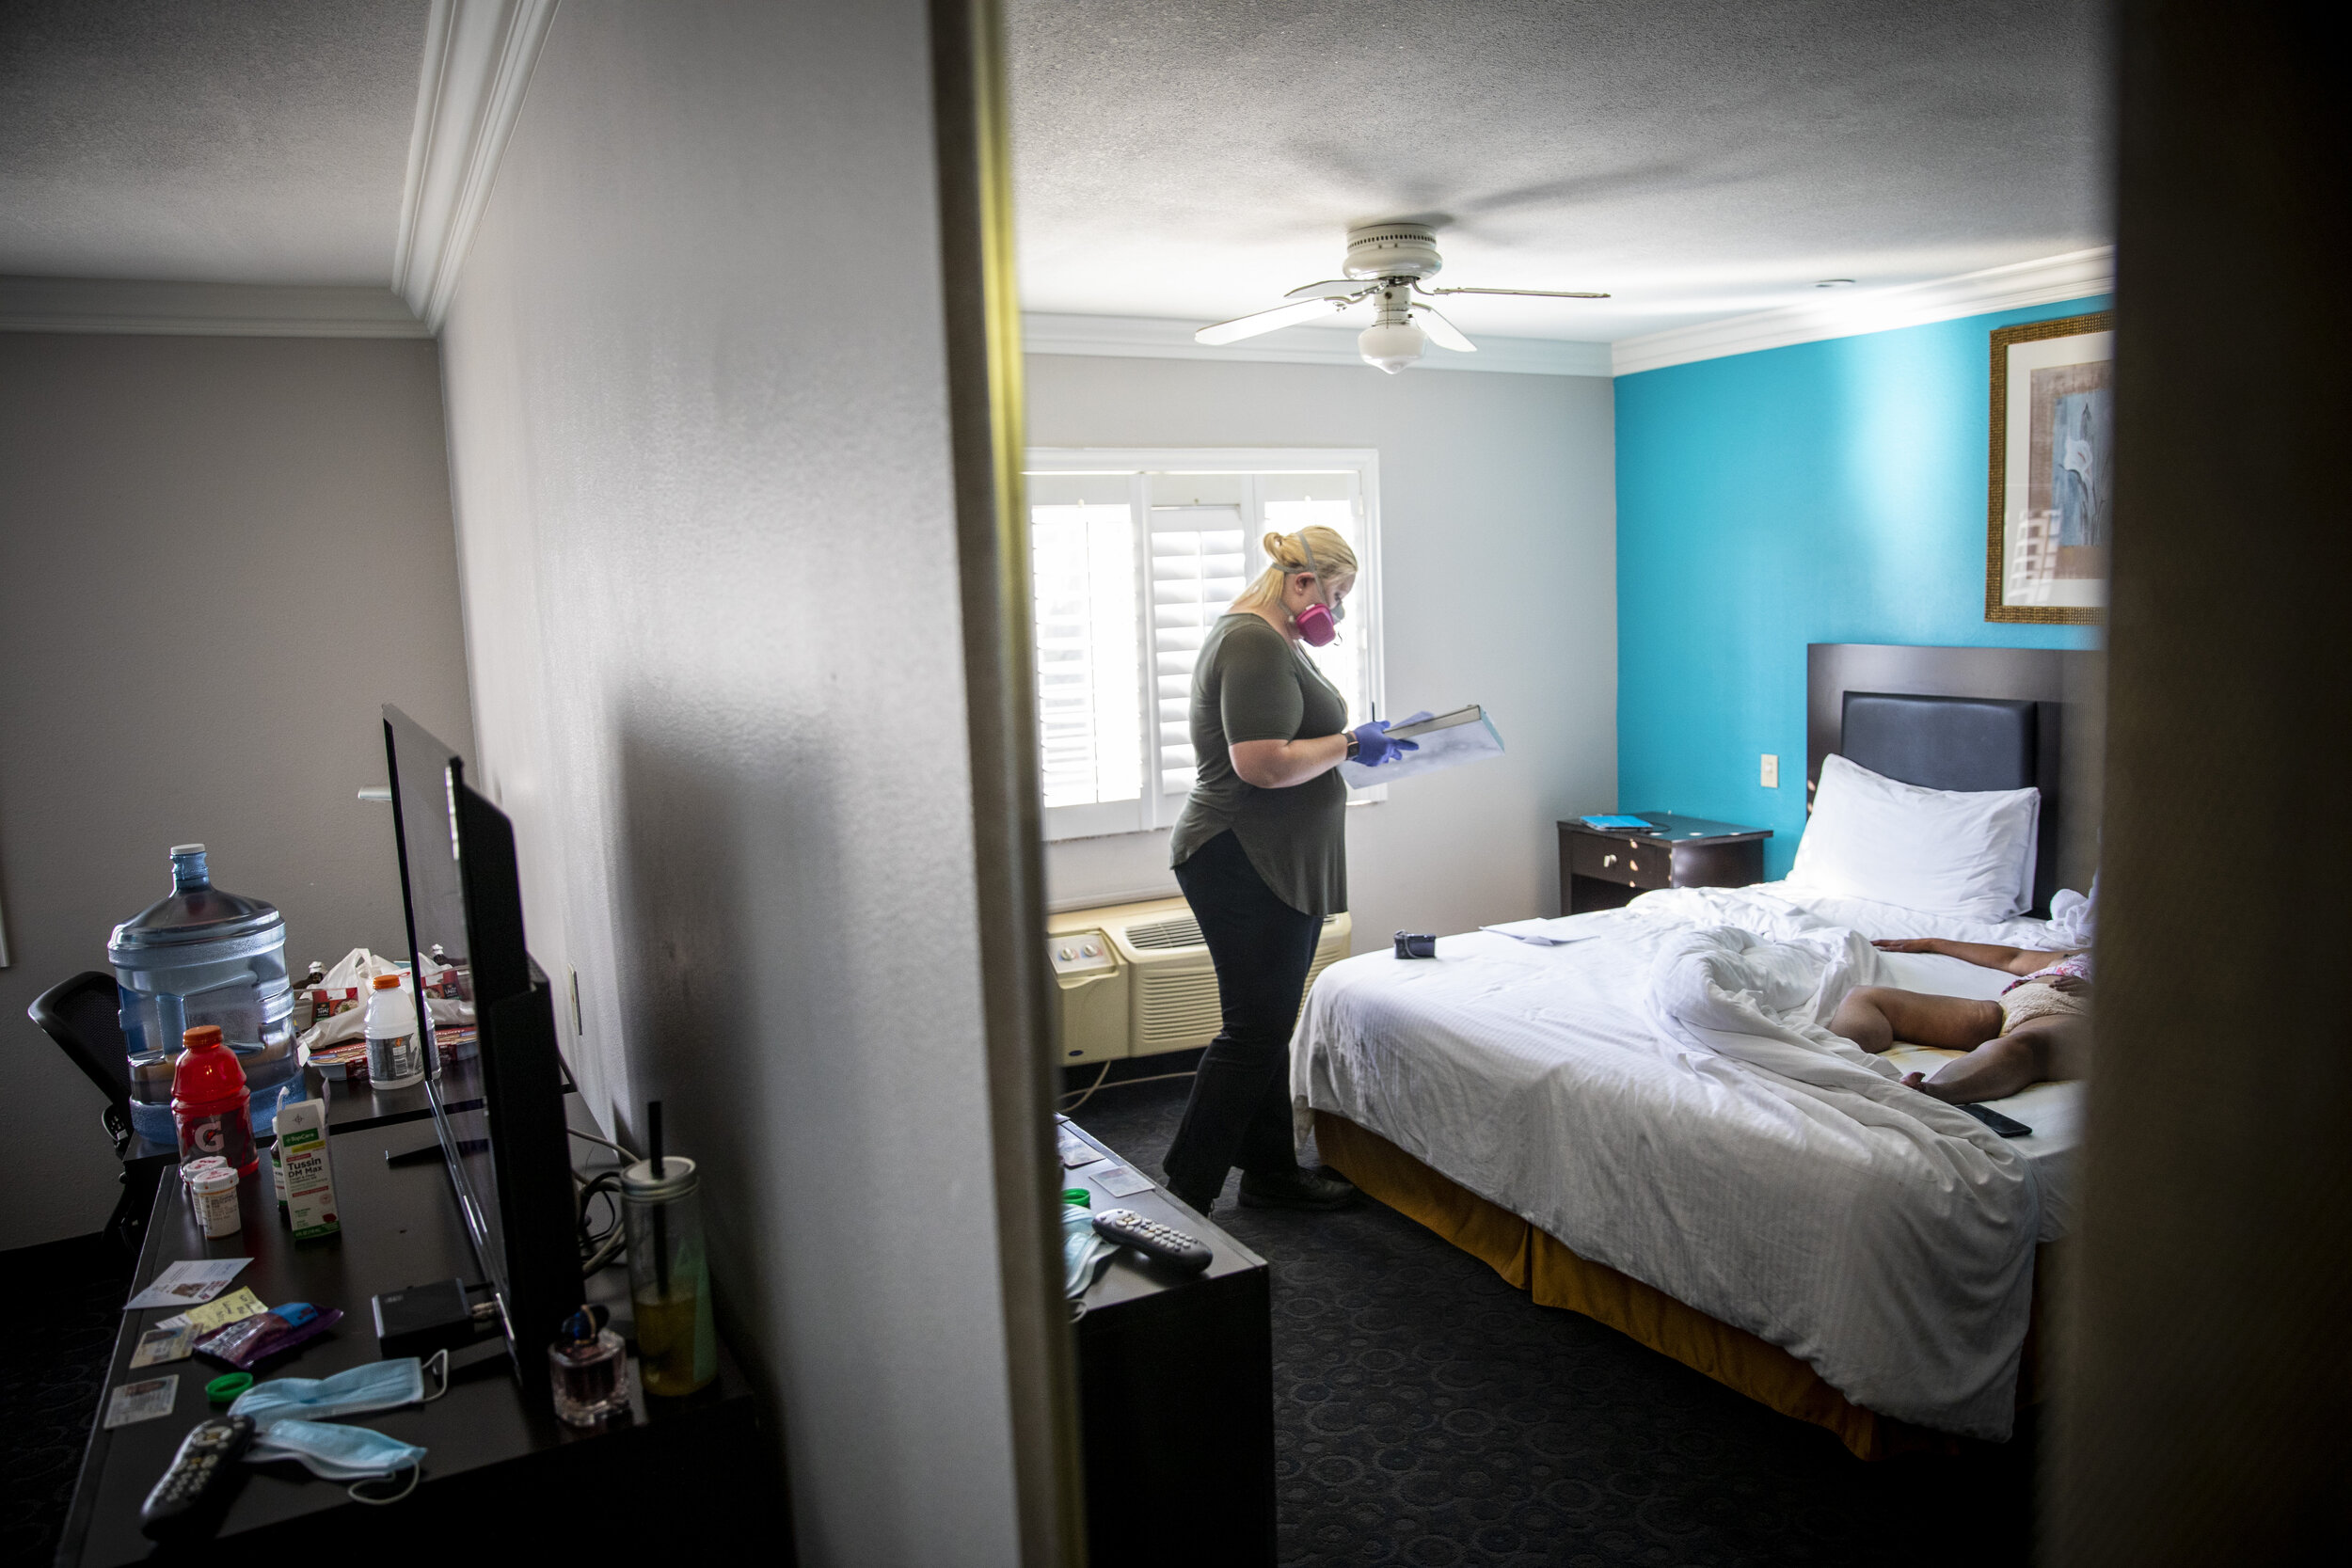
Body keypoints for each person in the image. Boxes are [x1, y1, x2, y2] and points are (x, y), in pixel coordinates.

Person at [1159, 526, 1417, 1214]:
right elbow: (1262, 763)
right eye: (1337, 594)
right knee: (1255, 1030)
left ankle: (1271, 1174)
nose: (1338, 611)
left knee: (1268, 1023)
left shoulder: (1276, 640)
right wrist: (1350, 742)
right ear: (1302, 582)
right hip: (1242, 854)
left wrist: (1359, 747)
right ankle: (1184, 1195)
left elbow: (1295, 747)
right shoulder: (1253, 641)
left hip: (1273, 854)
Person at [1830, 883, 2098, 1104]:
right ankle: (1833, 1062)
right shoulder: (2080, 955)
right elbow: (2012, 958)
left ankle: (1928, 1095)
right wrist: (1933, 943)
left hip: (2069, 1015)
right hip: (2005, 1010)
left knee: (2023, 1045)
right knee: (1866, 997)